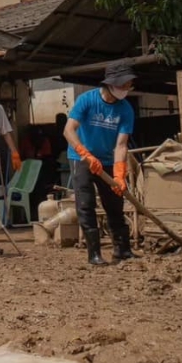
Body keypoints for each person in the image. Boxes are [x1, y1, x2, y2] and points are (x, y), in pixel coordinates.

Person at [63, 61, 136, 266]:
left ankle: (122, 250)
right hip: (81, 158)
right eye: (124, 84)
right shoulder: (87, 100)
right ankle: (94, 253)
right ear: (111, 84)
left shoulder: (126, 110)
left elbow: (121, 145)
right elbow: (68, 130)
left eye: (129, 85)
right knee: (86, 204)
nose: (126, 89)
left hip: (107, 159)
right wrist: (84, 154)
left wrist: (119, 173)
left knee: (115, 203)